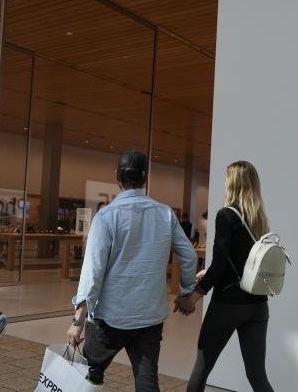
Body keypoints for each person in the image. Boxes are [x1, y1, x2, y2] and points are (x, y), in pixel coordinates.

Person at [66, 150, 198, 391]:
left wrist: (78, 319)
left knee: (87, 376)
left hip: (109, 318)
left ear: (118, 178)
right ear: (145, 178)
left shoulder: (106, 217)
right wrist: (186, 292)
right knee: (147, 382)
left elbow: (93, 270)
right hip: (149, 316)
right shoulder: (165, 213)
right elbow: (188, 255)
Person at [183, 161, 275, 392]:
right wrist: (211, 271)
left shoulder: (226, 215)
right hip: (257, 305)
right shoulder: (259, 219)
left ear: (232, 183)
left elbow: (220, 265)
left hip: (229, 304)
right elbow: (245, 261)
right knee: (257, 376)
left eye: (226, 179)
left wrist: (192, 298)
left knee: (202, 369)